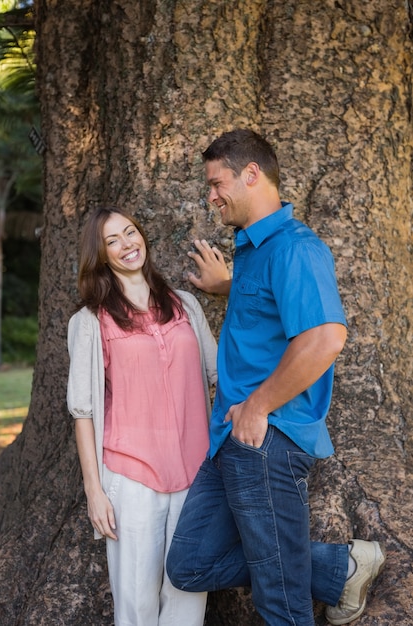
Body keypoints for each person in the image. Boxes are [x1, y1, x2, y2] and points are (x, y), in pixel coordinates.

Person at [166, 129, 386, 626]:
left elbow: (325, 338)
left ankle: (324, 568)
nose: (210, 196)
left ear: (251, 175)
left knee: (279, 603)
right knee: (189, 564)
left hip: (266, 439)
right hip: (229, 439)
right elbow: (270, 315)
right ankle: (338, 569)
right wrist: (228, 288)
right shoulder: (252, 251)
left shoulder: (295, 248)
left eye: (216, 183)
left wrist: (259, 406)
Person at [67, 206, 217, 626]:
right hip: (131, 479)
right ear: (100, 255)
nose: (126, 244)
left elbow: (219, 373)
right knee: (136, 604)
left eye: (130, 232)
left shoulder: (185, 305)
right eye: (112, 241)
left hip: (195, 474)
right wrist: (94, 491)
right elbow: (83, 411)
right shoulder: (90, 321)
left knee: (188, 596)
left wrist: (229, 288)